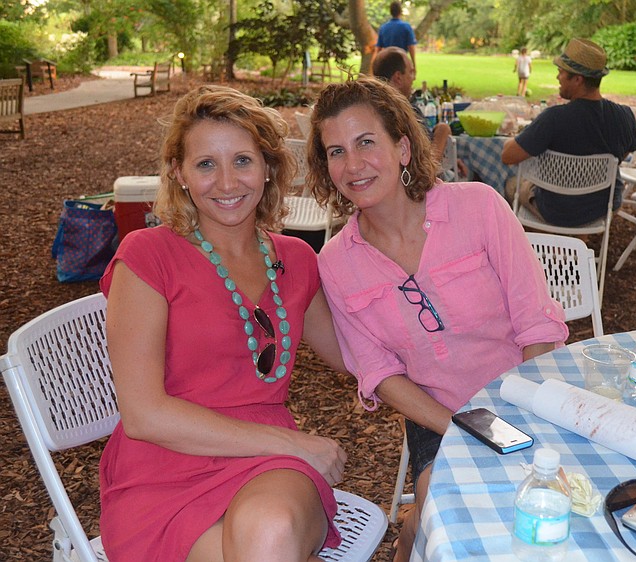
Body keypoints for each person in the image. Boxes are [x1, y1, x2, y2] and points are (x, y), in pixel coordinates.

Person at [306, 77, 570, 562]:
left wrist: (518, 416)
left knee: (547, 510)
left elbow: (536, 324)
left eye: (367, 142)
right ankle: (411, 540)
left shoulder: (479, 208)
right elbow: (379, 373)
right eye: (336, 151)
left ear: (403, 147)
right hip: (437, 413)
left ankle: (410, 534)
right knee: (443, 505)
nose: (354, 164)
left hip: (525, 397)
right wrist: (461, 428)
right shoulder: (337, 261)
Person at [99, 85, 348, 562]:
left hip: (267, 471)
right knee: (269, 549)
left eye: (242, 161)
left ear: (268, 167)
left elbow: (352, 355)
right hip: (163, 470)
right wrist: (298, 444)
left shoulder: (296, 259)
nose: (227, 183)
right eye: (206, 164)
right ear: (180, 173)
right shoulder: (149, 255)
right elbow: (144, 414)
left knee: (271, 531)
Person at [501, 38, 636, 227]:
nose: (557, 77)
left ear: (577, 79)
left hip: (556, 208)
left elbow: (508, 156)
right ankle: (578, 240)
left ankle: (547, 243)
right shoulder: (625, 115)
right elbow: (622, 155)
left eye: (561, 72)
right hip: (604, 205)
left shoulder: (554, 118)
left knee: (511, 185)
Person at [372, 46, 467, 180]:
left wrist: (450, 160)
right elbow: (426, 166)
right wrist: (442, 132)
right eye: (411, 72)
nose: (414, 78)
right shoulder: (402, 113)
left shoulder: (371, 111)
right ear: (398, 78)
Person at [376, 1, 417, 71]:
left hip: (387, 62)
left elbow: (378, 49)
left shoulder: (383, 28)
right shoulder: (406, 27)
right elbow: (411, 47)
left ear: (390, 12)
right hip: (402, 62)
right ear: (400, 12)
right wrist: (413, 64)